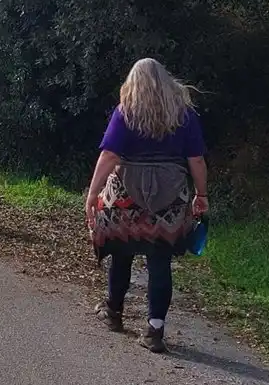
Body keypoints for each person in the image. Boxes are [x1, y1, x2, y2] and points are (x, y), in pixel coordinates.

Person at [84, 57, 208, 354]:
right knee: (160, 260)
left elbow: (110, 156)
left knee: (121, 250)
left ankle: (114, 312)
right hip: (170, 197)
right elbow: (196, 160)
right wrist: (201, 194)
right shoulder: (184, 115)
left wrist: (93, 193)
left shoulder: (125, 112)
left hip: (127, 194)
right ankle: (154, 330)